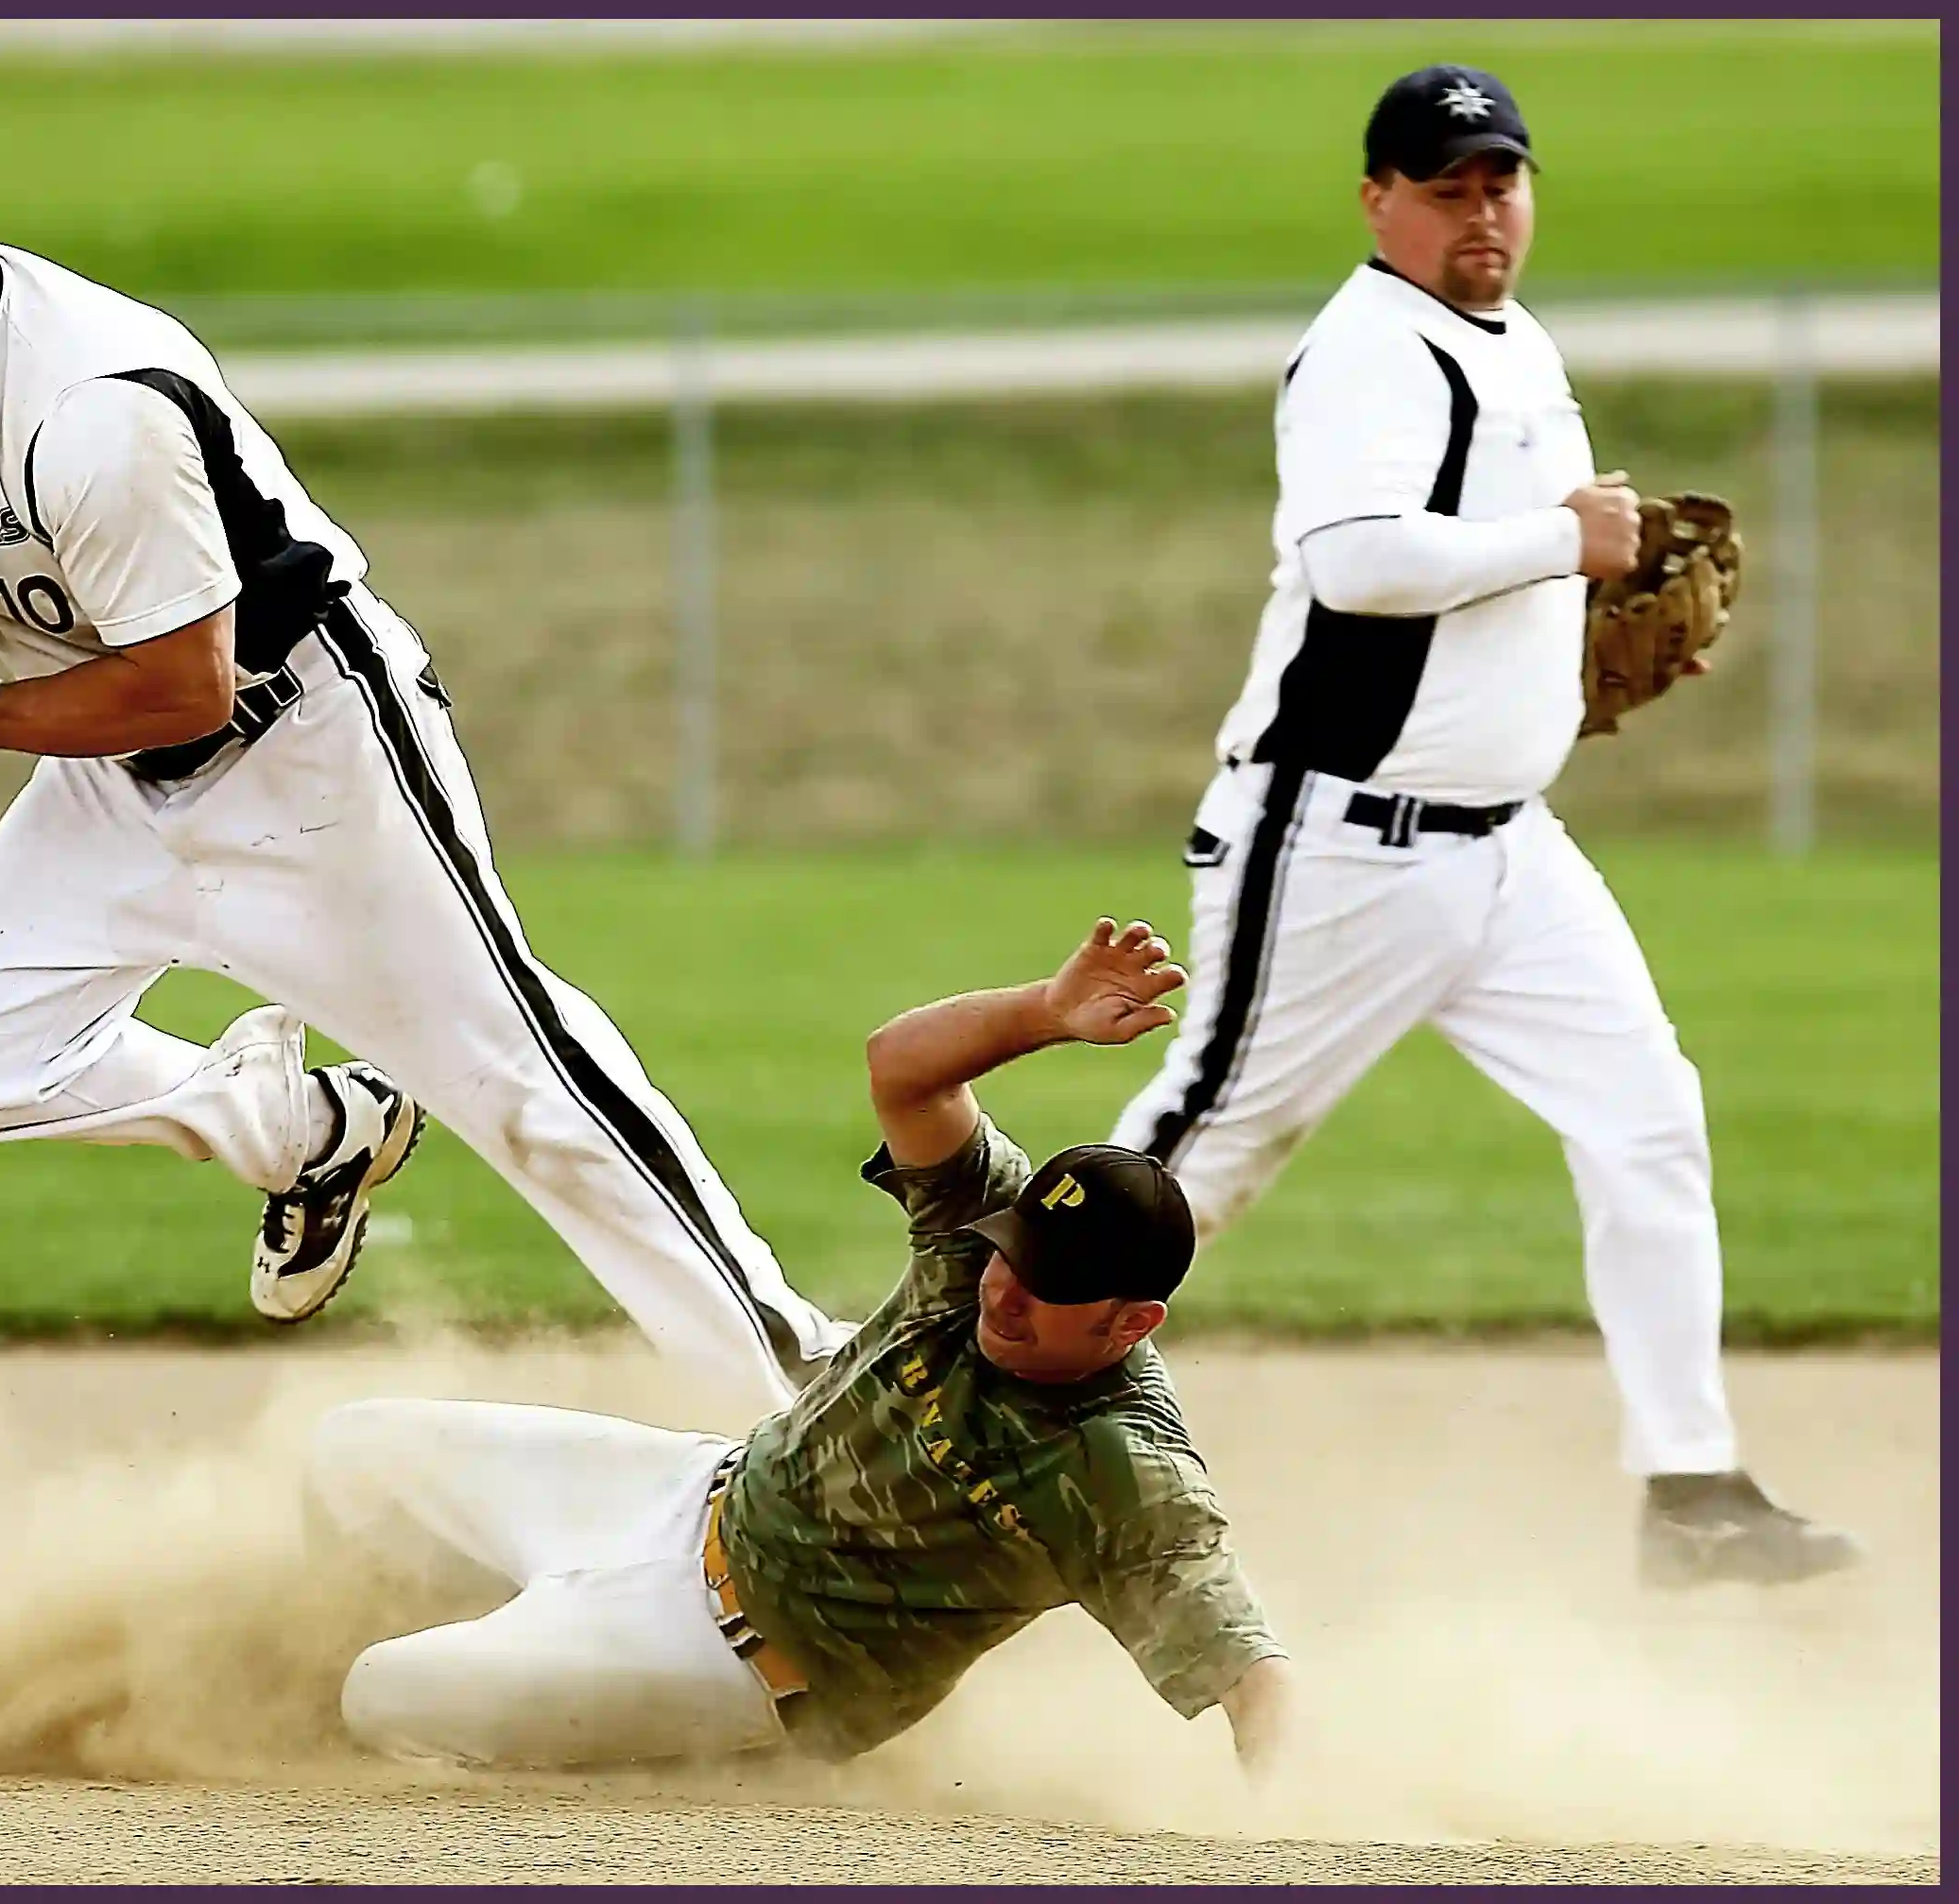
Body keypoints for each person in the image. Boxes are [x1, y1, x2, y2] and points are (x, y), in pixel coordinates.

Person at [0, 129, 844, 1406]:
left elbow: (185, 682)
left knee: (520, 1082)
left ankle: (803, 1379)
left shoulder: (96, 409)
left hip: (304, 752)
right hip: (112, 774)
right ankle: (314, 1129)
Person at [1103, 66, 1856, 1586]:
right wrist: (1562, 541)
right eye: (1445, 188)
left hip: (1508, 845)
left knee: (1648, 1118)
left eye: (1500, 181)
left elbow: (1494, 584)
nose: (1480, 213)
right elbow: (1357, 561)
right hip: (1339, 844)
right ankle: (924, 1372)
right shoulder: (1371, 350)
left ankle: (1692, 1490)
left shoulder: (1516, 343)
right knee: (1195, 1162)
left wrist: (1561, 654)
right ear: (1378, 199)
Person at [310, 918, 1293, 1776]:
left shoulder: (1121, 1466)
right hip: (684, 1491)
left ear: (1132, 1322)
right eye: (1014, 1254)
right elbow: (901, 1068)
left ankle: (639, 1735)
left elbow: (1255, 1678)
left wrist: (1288, 1832)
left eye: (1053, 1286)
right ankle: (525, 1635)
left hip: (731, 1664)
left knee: (381, 1691)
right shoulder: (976, 1245)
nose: (1007, 1289)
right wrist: (1043, 1011)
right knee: (349, 1454)